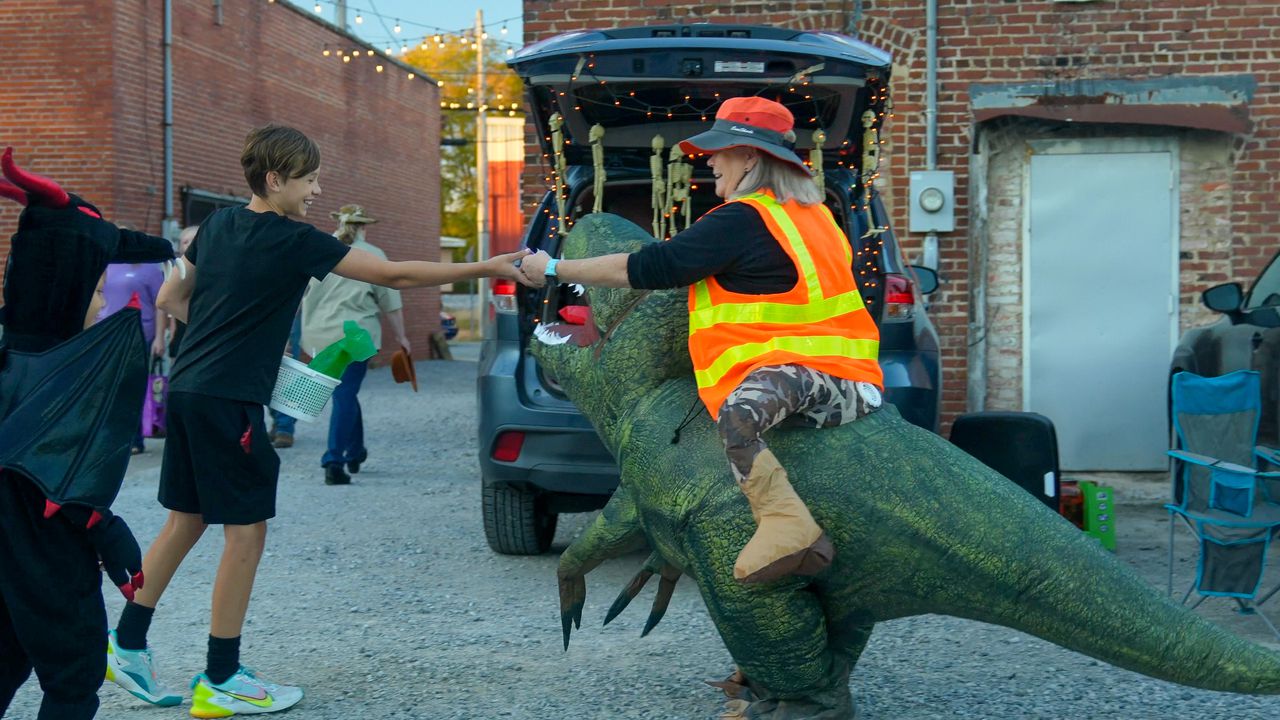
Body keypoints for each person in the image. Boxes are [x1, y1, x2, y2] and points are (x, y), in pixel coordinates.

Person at [103, 124, 529, 718]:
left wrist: (236, 340)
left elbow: (171, 300)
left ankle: (126, 643)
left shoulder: (218, 225)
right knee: (245, 531)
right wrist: (487, 266)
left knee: (185, 521)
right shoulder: (294, 240)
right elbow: (394, 276)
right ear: (275, 179)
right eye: (308, 179)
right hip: (231, 402)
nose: (317, 189)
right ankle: (221, 676)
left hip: (192, 391)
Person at [518, 97, 884, 585]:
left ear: (750, 157)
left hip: (813, 377)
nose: (707, 160)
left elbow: (649, 267)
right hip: (844, 374)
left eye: (718, 151)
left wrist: (553, 268)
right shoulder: (815, 219)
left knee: (739, 417)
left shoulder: (745, 219)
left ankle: (786, 525)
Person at [0, 148, 175, 719]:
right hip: (45, 556)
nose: (102, 301)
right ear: (69, 282)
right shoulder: (66, 378)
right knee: (73, 674)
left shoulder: (12, 359)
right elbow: (64, 489)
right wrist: (110, 534)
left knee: (4, 655)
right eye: (95, 289)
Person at [301, 203, 411, 485]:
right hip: (356, 337)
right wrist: (402, 337)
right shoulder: (372, 255)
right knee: (345, 394)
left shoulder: (316, 252)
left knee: (344, 393)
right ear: (363, 226)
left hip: (319, 337)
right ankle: (334, 460)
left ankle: (356, 451)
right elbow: (391, 302)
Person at [98, 258, 168, 454]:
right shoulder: (106, 266)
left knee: (131, 387)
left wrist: (159, 338)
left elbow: (159, 304)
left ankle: (134, 439)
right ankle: (109, 437)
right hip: (107, 333)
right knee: (108, 388)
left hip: (138, 335)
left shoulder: (149, 269)